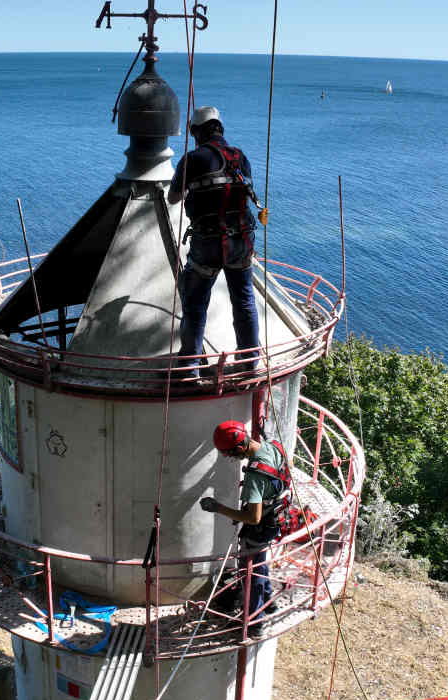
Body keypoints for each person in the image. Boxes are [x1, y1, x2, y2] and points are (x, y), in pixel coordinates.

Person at [167, 106, 266, 377]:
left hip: (208, 243)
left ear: (196, 131)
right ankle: (249, 361)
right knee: (244, 299)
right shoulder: (240, 157)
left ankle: (189, 366)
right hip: (241, 242)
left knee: (195, 300)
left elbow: (173, 198)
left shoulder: (192, 159)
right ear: (220, 128)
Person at [199, 420, 290, 637]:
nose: (229, 457)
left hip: (262, 526)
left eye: (229, 453)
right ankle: (268, 603)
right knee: (260, 561)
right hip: (279, 515)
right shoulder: (275, 446)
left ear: (240, 448)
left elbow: (253, 516)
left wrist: (218, 507)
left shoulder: (254, 477)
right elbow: (290, 467)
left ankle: (254, 623)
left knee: (253, 571)